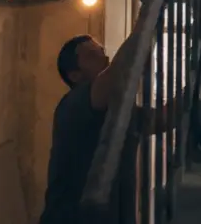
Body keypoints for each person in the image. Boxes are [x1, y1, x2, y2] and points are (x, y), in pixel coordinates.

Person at [40, 27, 170, 224]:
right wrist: (146, 25)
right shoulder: (74, 104)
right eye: (93, 55)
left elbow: (161, 121)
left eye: (102, 52)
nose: (105, 58)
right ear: (75, 75)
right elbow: (119, 72)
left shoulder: (118, 110)